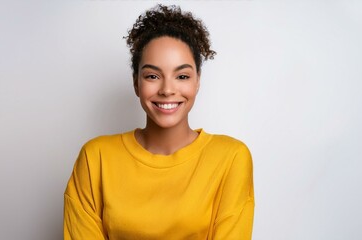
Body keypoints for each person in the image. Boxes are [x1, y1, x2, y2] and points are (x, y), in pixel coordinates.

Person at [64, 4, 254, 240]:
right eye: (153, 76)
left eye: (182, 76)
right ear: (136, 83)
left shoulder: (231, 158)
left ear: (197, 82)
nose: (167, 90)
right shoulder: (96, 157)